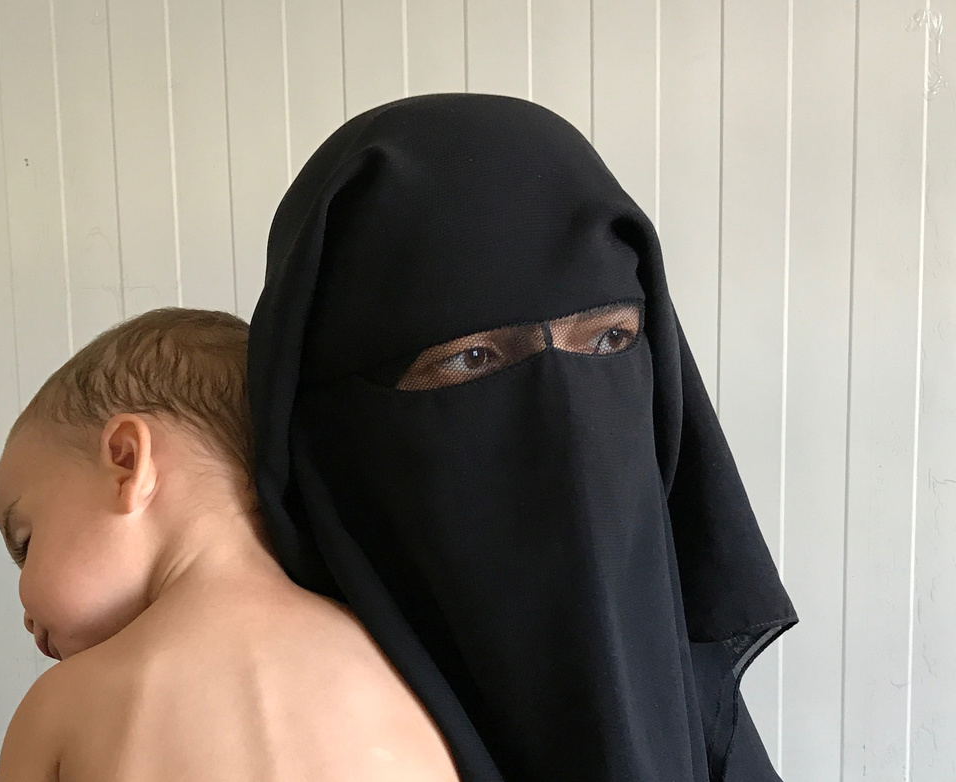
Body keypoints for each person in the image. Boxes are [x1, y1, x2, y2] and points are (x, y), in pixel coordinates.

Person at [247, 93, 798, 781]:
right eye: (471, 358)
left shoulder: (689, 702)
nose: (569, 440)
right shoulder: (257, 732)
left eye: (608, 340)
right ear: (325, 414)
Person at [0, 308, 460, 781]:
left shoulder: (62, 706)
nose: (26, 612)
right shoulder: (399, 663)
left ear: (126, 463)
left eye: (26, 543)